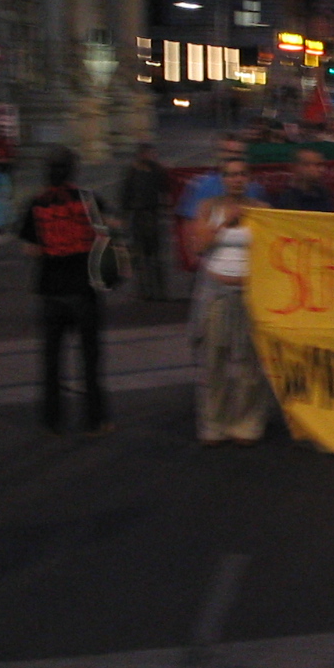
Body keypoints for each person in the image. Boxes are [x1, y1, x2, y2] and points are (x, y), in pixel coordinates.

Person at [18, 149, 112, 437]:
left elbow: (30, 248)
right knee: (90, 360)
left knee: (51, 361)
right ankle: (95, 420)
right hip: (85, 291)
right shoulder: (89, 200)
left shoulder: (37, 203)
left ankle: (52, 420)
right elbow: (107, 233)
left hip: (52, 293)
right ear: (73, 170)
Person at [188, 158, 273, 445]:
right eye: (231, 174)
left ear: (249, 178)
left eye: (242, 174)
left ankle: (247, 423)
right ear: (222, 179)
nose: (236, 179)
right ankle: (214, 423)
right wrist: (225, 222)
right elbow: (199, 247)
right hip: (216, 294)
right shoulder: (208, 207)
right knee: (214, 360)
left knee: (250, 363)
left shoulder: (262, 210)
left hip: (249, 295)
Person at [119, 143, 171, 300]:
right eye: (150, 153)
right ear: (142, 154)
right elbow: (125, 195)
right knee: (140, 255)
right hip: (139, 217)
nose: (153, 156)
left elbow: (165, 190)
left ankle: (159, 291)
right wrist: (125, 218)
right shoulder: (132, 172)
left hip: (153, 216)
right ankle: (143, 291)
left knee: (155, 256)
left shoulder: (157, 171)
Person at [175, 137, 267, 221]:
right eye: (228, 151)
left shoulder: (255, 189)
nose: (232, 156)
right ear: (217, 153)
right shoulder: (201, 185)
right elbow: (191, 225)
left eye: (238, 152)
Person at [275, 147, 334, 212]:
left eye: (320, 165)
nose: (321, 169)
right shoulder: (285, 197)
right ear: (295, 167)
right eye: (316, 165)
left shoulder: (323, 193)